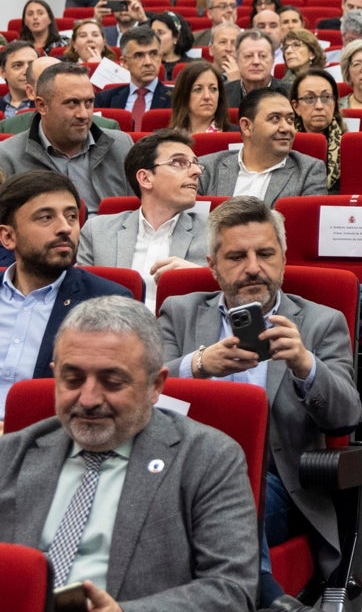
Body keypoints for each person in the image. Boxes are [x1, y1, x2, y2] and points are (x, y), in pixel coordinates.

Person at [159, 195, 362, 612]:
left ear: (283, 259)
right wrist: (197, 365)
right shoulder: (178, 313)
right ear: (213, 265)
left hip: (274, 483)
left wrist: (306, 365)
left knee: (221, 506)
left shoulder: (319, 322)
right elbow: (137, 390)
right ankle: (271, 597)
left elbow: (347, 416)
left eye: (265, 253)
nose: (253, 267)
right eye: (237, 256)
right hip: (177, 470)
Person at [0, 296, 259, 612]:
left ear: (155, 385)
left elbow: (232, 593)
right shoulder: (11, 454)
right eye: (73, 379)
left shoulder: (208, 459)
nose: (89, 399)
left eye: (112, 381)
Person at [0, 170, 135, 422]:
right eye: (45, 217)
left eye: (71, 216)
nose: (65, 228)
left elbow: (116, 401)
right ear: (8, 237)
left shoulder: (107, 302)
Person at [77, 129, 207, 306]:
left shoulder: (216, 232)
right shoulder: (97, 231)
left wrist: (201, 277)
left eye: (195, 163)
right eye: (179, 162)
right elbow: (79, 299)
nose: (196, 171)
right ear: (145, 178)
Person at [0, 62, 134, 214]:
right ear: (42, 105)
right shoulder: (7, 157)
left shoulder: (122, 145)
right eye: (72, 103)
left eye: (89, 102)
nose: (83, 114)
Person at [197, 87, 326, 204]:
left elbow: (307, 227)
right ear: (247, 126)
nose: (286, 128)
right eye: (275, 118)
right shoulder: (206, 169)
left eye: (290, 119)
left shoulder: (308, 171)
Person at [95, 27, 173, 131]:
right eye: (139, 55)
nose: (148, 62)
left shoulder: (177, 98)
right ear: (125, 62)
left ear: (160, 57)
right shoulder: (105, 99)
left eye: (153, 54)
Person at [291, 67, 346, 191]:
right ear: (296, 107)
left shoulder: (349, 147)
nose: (319, 106)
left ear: (335, 103)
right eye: (309, 98)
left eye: (326, 97)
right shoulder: (284, 145)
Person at [225, 30, 285, 110]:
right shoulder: (222, 93)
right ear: (237, 60)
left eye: (262, 56)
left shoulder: (290, 93)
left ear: (273, 59)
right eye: (248, 56)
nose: (256, 62)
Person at [169, 59, 231, 135]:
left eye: (213, 89)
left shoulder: (238, 136)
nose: (207, 96)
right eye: (198, 89)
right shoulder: (167, 141)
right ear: (184, 95)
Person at [147, 11, 195, 79]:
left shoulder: (193, 66)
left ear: (176, 37)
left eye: (160, 33)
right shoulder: (146, 64)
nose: (154, 38)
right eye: (152, 33)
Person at [0, 41, 36, 117]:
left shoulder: (50, 105)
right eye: (17, 65)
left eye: (32, 64)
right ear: (3, 72)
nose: (26, 71)